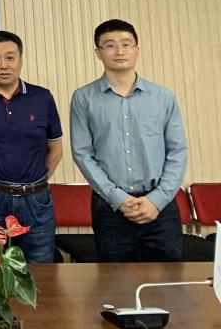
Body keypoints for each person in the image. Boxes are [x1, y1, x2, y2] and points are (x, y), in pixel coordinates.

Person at [70, 19, 188, 262]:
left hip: (160, 205)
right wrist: (118, 199)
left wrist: (157, 200)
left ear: (137, 49)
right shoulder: (83, 98)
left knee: (168, 279)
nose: (119, 51)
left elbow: (177, 151)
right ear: (98, 52)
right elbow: (82, 153)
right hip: (110, 207)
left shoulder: (163, 97)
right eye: (110, 45)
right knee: (116, 280)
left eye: (126, 44)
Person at [0, 30, 62, 263]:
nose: (3, 65)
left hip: (37, 200)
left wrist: (35, 182)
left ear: (20, 59)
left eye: (10, 57)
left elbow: (56, 149)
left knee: (41, 270)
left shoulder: (42, 98)